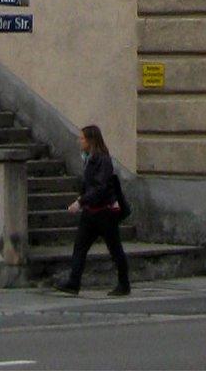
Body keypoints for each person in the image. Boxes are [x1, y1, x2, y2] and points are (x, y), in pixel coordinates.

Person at [55, 123, 130, 296]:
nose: (79, 141)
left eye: (82, 138)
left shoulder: (102, 159)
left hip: (105, 212)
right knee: (79, 247)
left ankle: (124, 284)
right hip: (91, 211)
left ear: (91, 140)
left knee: (115, 248)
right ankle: (73, 282)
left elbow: (100, 187)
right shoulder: (89, 158)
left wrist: (80, 201)